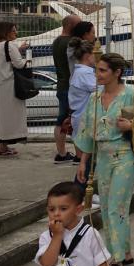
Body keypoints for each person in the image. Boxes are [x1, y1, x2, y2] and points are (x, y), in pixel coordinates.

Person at [74, 53, 134, 266]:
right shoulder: (94, 98)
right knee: (106, 207)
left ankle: (116, 259)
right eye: (97, 70)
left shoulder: (132, 95)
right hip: (101, 156)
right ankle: (127, 251)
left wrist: (132, 126)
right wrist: (83, 162)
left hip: (125, 155)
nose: (97, 75)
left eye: (102, 71)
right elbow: (86, 132)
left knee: (115, 206)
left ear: (117, 73)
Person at [36, 182, 110, 266]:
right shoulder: (46, 236)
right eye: (51, 209)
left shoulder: (90, 234)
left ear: (78, 209)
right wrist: (57, 236)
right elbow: (47, 263)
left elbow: (101, 262)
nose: (56, 214)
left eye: (63, 209)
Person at [0, 22, 29, 157]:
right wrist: (26, 58)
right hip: (9, 86)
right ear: (6, 32)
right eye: (13, 31)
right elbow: (19, 64)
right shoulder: (9, 45)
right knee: (11, 117)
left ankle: (1, 145)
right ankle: (3, 147)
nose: (15, 33)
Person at [68, 41, 97, 195]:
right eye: (95, 54)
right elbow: (100, 88)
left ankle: (86, 192)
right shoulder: (84, 73)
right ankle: (81, 194)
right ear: (87, 56)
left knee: (91, 160)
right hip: (85, 118)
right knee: (87, 160)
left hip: (83, 117)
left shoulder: (82, 71)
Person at [52, 15, 81, 163]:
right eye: (78, 24)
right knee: (73, 120)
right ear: (70, 25)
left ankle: (61, 153)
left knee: (62, 118)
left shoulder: (56, 41)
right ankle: (77, 155)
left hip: (61, 85)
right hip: (70, 87)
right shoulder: (71, 43)